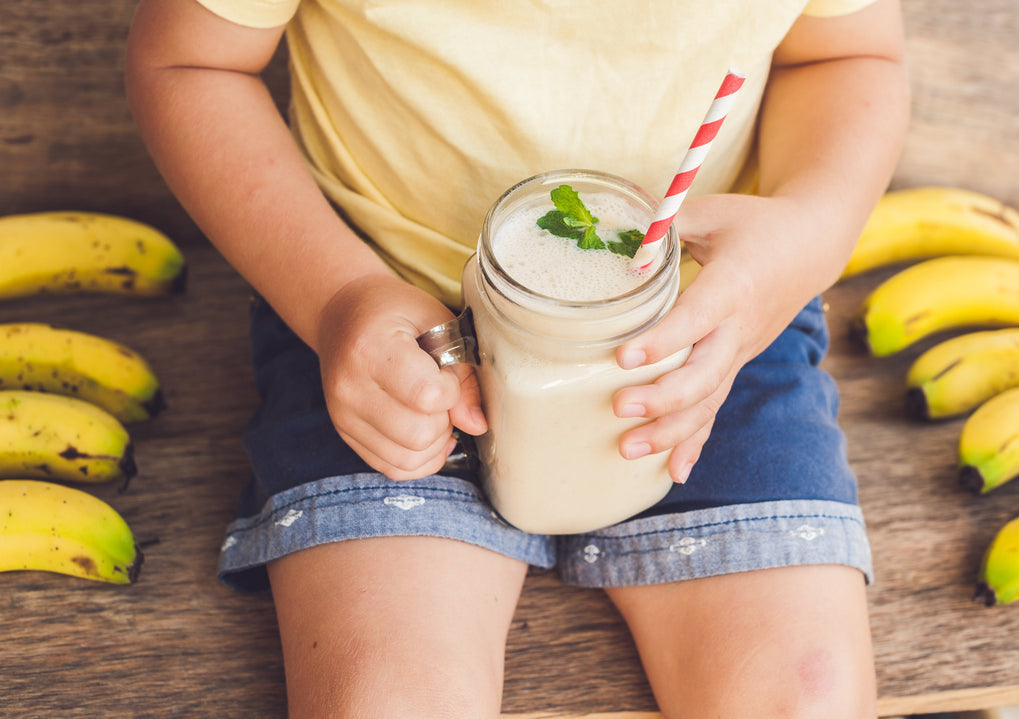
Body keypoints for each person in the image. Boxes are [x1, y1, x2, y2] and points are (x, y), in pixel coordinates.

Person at [125, 0, 909, 715]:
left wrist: (806, 230)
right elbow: (191, 61)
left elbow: (844, 54)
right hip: (383, 320)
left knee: (807, 689)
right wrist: (336, 301)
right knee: (389, 694)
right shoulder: (357, 308)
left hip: (708, 324)